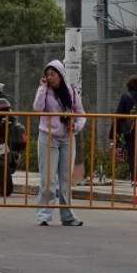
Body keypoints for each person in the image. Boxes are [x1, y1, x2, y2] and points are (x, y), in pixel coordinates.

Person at [33, 60, 86, 226]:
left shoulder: (71, 91)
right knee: (48, 179)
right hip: (48, 137)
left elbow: (80, 113)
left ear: (61, 75)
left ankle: (67, 215)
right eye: (47, 74)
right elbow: (37, 108)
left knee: (65, 179)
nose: (50, 77)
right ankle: (44, 215)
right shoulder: (45, 91)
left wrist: (75, 126)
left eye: (53, 74)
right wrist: (42, 88)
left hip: (67, 138)